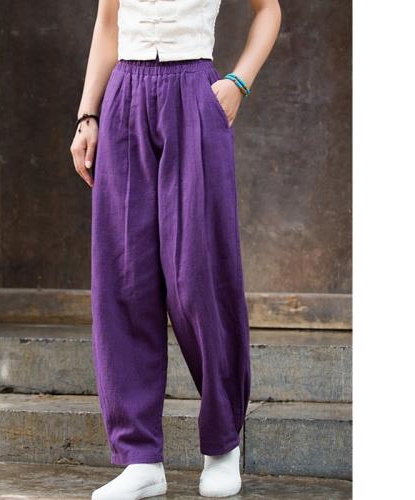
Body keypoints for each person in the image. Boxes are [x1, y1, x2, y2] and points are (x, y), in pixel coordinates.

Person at [70, 1, 281, 498]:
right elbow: (108, 23)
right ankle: (140, 456)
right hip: (124, 95)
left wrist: (239, 82)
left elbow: (269, 10)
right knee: (125, 278)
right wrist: (87, 115)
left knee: (198, 275)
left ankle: (223, 445)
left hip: (193, 93)